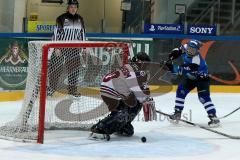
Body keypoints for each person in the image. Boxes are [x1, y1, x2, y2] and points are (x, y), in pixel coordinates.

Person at [90, 52, 157, 139]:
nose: (147, 67)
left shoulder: (133, 68)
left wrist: (144, 99)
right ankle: (100, 128)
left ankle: (122, 125)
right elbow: (138, 90)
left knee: (136, 103)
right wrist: (145, 100)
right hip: (110, 91)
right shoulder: (135, 71)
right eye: (146, 64)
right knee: (122, 113)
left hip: (117, 90)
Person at [166, 39, 220, 127]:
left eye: (193, 50)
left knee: (203, 98)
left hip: (202, 79)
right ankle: (177, 113)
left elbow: (182, 70)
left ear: (197, 51)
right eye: (190, 49)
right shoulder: (186, 47)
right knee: (180, 91)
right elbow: (179, 50)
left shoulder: (196, 61)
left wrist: (171, 67)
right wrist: (174, 53)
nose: (190, 51)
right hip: (191, 78)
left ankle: (214, 117)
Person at [48, 0, 86, 97]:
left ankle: (72, 90)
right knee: (55, 68)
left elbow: (82, 34)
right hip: (61, 46)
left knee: (74, 70)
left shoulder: (80, 19)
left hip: (74, 48)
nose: (73, 9)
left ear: (77, 8)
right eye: (71, 7)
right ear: (68, 7)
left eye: (75, 7)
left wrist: (84, 47)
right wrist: (56, 47)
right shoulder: (61, 18)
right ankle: (51, 89)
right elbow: (56, 33)